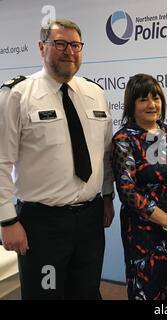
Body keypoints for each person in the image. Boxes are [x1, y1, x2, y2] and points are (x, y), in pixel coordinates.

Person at [0, 19, 115, 299]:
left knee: (86, 292)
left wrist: (108, 197)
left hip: (90, 219)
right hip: (42, 224)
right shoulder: (17, 95)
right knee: (46, 295)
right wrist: (7, 221)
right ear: (42, 47)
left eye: (75, 45)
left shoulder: (95, 93)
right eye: (59, 43)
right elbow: (1, 161)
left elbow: (106, 152)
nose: (69, 51)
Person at [111, 73, 167, 300]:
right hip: (144, 231)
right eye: (143, 99)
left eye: (156, 98)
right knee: (146, 290)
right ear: (132, 104)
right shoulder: (124, 139)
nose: (152, 104)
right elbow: (128, 192)